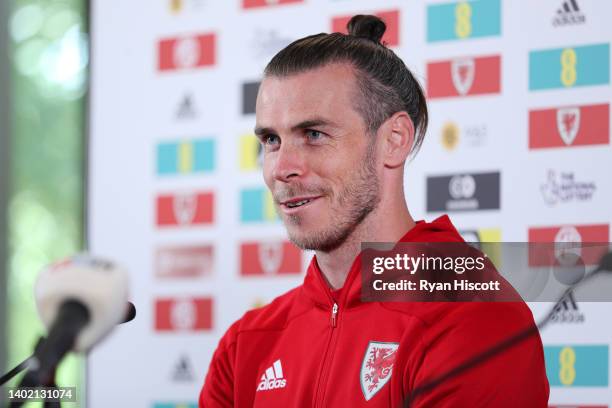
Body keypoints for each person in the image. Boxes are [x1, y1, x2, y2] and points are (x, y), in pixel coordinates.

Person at [200, 15, 549, 407]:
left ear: (393, 141)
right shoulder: (245, 344)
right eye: (271, 140)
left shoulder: (473, 318)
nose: (282, 168)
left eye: (314, 135)